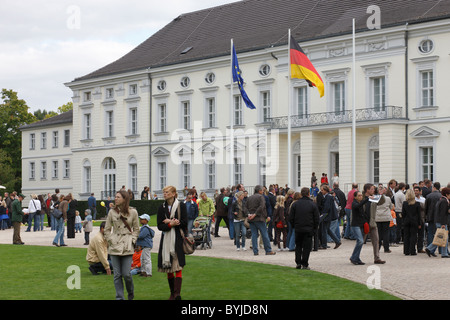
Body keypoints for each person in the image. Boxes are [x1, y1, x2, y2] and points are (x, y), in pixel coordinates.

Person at [105, 190, 140, 300]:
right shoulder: (111, 212)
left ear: (124, 199)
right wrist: (111, 240)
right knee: (117, 275)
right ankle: (119, 297)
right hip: (115, 244)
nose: (115, 199)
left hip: (127, 245)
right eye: (115, 197)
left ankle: (130, 292)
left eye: (118, 197)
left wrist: (133, 240)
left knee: (126, 274)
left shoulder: (133, 212)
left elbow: (136, 229)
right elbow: (106, 229)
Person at [157, 185, 188, 300]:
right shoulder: (161, 207)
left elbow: (185, 222)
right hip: (166, 241)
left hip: (178, 240)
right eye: (164, 192)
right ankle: (172, 293)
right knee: (168, 267)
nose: (165, 194)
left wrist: (172, 221)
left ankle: (177, 294)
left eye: (167, 192)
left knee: (178, 266)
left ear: (174, 193)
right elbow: (160, 225)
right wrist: (170, 225)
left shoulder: (181, 206)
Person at [290, 188, 320, 269]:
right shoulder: (313, 204)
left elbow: (291, 218)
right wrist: (315, 228)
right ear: (308, 193)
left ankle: (298, 262)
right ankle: (304, 263)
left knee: (298, 246)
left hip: (298, 228)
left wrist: (294, 226)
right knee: (307, 247)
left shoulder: (295, 204)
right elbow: (316, 218)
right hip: (308, 228)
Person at [243, 185, 276, 256]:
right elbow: (261, 207)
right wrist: (255, 214)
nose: (263, 191)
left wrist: (249, 214)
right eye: (262, 190)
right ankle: (268, 250)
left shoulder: (250, 198)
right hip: (259, 218)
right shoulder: (261, 197)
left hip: (251, 219)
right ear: (259, 191)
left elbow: (245, 207)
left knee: (254, 235)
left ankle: (255, 251)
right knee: (264, 234)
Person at [426, 188, 450, 258]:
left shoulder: (441, 200)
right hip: (441, 222)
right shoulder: (444, 201)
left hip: (438, 221)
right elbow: (442, 213)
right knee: (444, 238)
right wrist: (443, 223)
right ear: (447, 194)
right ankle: (443, 253)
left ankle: (430, 248)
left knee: (440, 237)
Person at [350, 191, 370, 265]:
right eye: (359, 196)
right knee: (360, 241)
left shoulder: (360, 204)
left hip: (361, 224)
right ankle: (354, 257)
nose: (360, 197)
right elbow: (357, 207)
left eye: (361, 195)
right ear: (355, 197)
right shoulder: (354, 203)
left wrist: (366, 221)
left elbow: (363, 214)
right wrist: (366, 199)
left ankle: (356, 257)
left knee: (360, 242)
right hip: (355, 225)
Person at [402, 189, 421, 256]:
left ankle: (406, 251)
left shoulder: (404, 203)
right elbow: (419, 215)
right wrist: (419, 223)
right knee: (413, 236)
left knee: (406, 236)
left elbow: (403, 214)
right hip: (414, 221)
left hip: (406, 221)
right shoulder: (417, 204)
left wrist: (403, 221)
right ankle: (412, 250)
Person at [375, 187, 393, 253]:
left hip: (378, 217)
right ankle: (386, 248)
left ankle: (378, 247)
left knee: (379, 233)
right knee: (386, 233)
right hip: (386, 217)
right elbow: (391, 207)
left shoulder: (375, 198)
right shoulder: (388, 198)